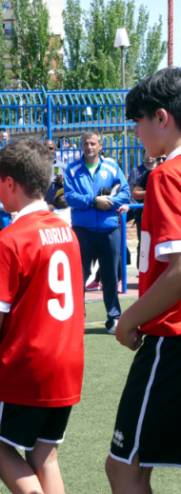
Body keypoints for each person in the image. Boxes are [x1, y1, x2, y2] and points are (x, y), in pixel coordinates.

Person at [0, 140, 85, 494]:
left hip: (28, 362)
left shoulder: (11, 238)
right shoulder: (67, 233)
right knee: (44, 455)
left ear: (10, 184)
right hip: (68, 359)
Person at [105, 67, 181, 493]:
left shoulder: (168, 175)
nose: (135, 131)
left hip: (172, 341)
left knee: (125, 468)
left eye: (138, 120)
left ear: (162, 117)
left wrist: (129, 318)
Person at [64, 131, 130, 333]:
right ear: (81, 146)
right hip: (82, 231)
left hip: (109, 230)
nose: (89, 147)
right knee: (79, 277)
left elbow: (125, 192)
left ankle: (113, 318)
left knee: (110, 277)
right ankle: (77, 318)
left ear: (100, 146)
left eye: (93, 143)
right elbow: (69, 196)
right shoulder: (72, 169)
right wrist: (94, 201)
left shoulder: (111, 166)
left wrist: (109, 201)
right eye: (86, 143)